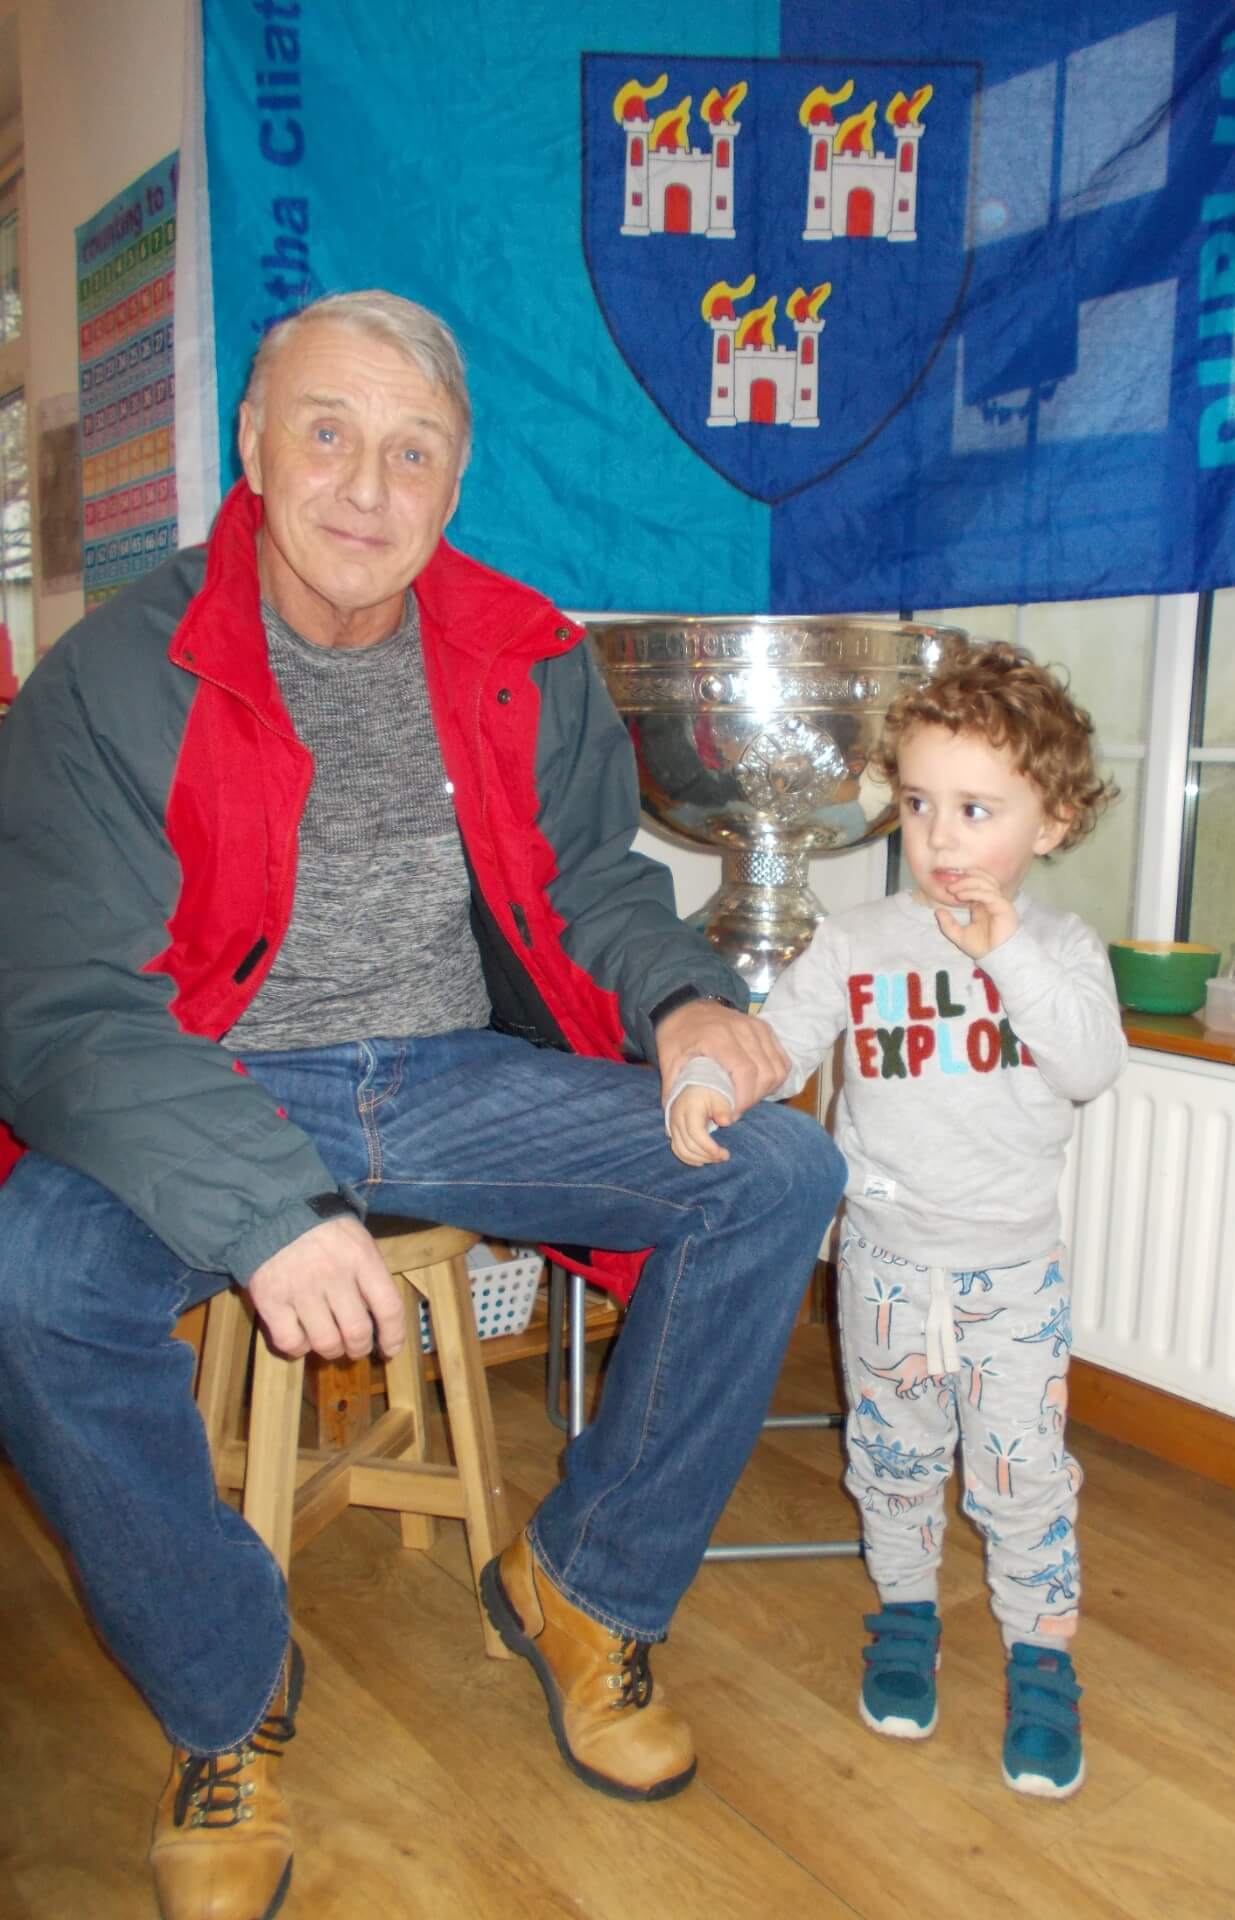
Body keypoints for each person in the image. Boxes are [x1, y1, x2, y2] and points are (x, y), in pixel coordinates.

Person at [0, 290, 845, 1920]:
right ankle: (224, 1688)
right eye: (327, 433)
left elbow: (592, 883)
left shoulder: (526, 653)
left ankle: (587, 1586)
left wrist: (683, 1004)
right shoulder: (111, 677)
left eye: (413, 451)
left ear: (456, 480)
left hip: (459, 1074)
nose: (366, 487)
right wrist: (265, 1211)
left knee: (777, 1173)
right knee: (31, 1274)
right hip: (214, 1077)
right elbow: (55, 1005)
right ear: (254, 445)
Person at [667, 642, 1126, 1799]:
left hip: (1007, 1274)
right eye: (918, 805)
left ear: (1051, 822)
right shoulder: (859, 942)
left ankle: (1039, 1657)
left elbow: (1086, 1065)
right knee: (891, 1458)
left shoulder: (1062, 952)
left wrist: (1004, 951)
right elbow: (782, 1046)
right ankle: (907, 1614)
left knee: (1020, 1476)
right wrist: (712, 1079)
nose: (939, 839)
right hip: (880, 1263)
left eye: (975, 810)